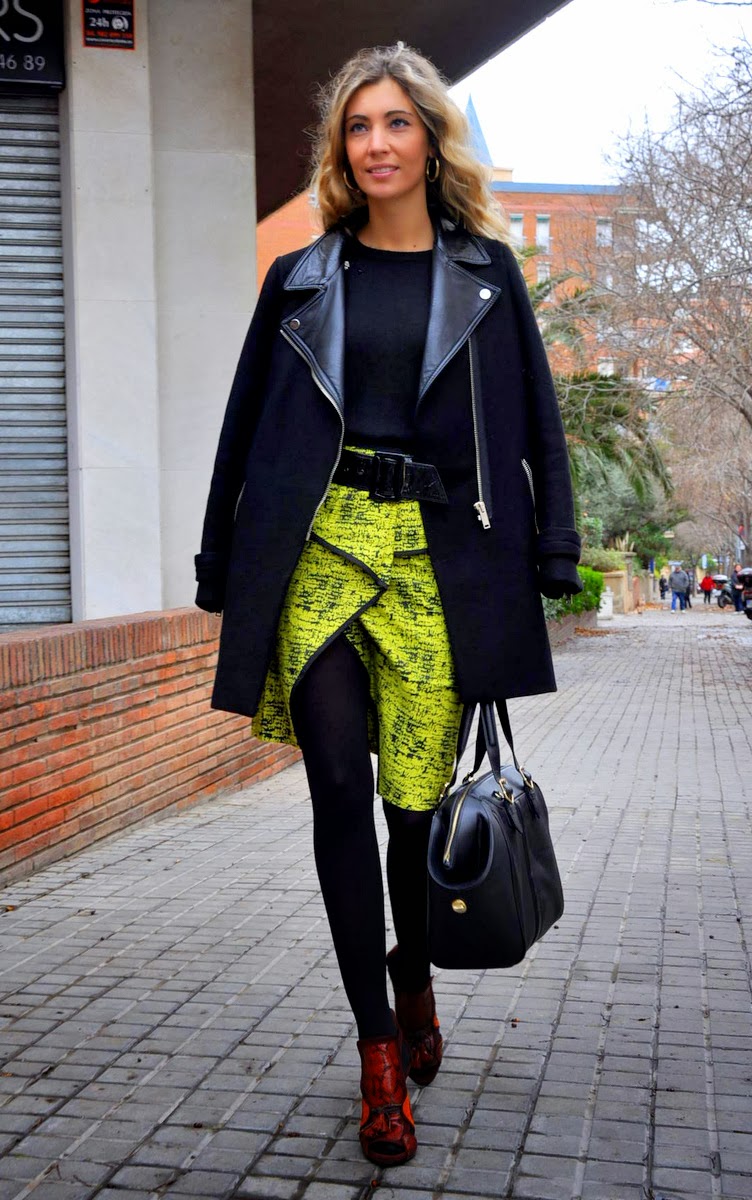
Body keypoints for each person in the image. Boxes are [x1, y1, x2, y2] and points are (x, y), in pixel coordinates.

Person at [194, 43, 581, 1167]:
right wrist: (221, 557)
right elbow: (242, 430)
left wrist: (553, 542)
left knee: (411, 814)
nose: (375, 144)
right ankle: (375, 1046)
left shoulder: (486, 275)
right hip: (318, 549)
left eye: (395, 123)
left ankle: (413, 972)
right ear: (341, 148)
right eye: (357, 126)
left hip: (437, 562)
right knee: (334, 794)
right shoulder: (302, 277)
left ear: (429, 141)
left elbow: (537, 422)